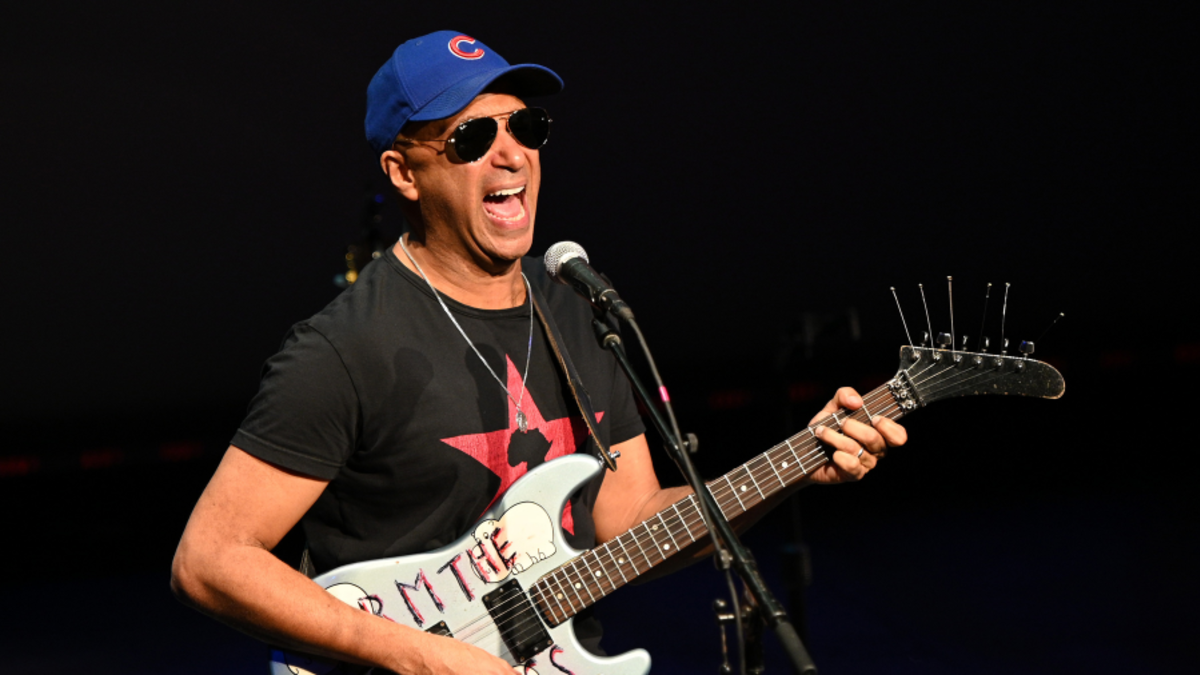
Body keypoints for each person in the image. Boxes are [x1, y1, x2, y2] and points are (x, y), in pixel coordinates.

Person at [170, 30, 907, 675]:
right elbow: (209, 560)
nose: (511, 154)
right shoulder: (343, 348)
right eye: (471, 138)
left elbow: (630, 520)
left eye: (526, 126)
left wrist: (796, 466)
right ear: (404, 172)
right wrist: (418, 653)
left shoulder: (577, 312)